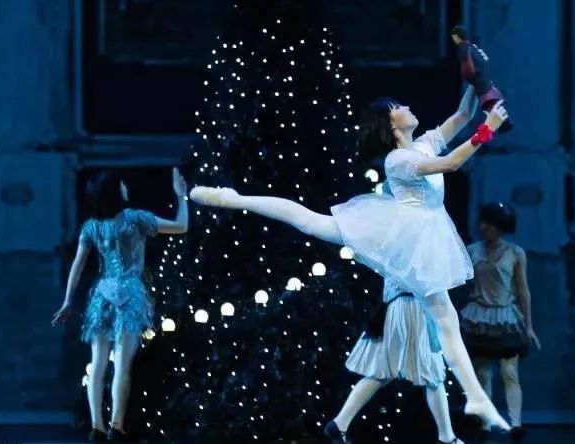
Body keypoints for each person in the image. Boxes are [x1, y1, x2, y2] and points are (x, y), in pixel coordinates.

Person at [189, 85, 512, 432]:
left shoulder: (424, 144)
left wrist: (474, 81)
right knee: (310, 222)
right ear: (390, 124)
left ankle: (475, 398)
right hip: (400, 234)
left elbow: (461, 115)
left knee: (446, 319)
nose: (407, 105)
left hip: (423, 234)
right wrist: (488, 129)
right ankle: (233, 199)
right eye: (398, 105)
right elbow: (451, 163)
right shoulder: (397, 160)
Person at [52, 168, 189, 442]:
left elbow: (78, 265)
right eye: (121, 184)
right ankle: (117, 425)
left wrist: (68, 300)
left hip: (102, 296)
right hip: (130, 295)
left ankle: (97, 426)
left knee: (98, 363)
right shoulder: (136, 219)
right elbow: (181, 226)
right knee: (122, 365)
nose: (126, 186)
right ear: (114, 191)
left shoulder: (92, 227)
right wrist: (181, 197)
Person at [324, 277, 463, 444]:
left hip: (398, 307)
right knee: (432, 375)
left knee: (384, 371)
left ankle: (339, 423)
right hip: (412, 308)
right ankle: (447, 437)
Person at [459, 203, 541, 441]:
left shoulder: (515, 253)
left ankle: (515, 424)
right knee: (483, 373)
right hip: (479, 317)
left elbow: (523, 290)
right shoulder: (472, 251)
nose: (484, 227)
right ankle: (485, 424)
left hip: (505, 317)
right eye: (483, 222)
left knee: (510, 373)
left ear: (500, 227)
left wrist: (529, 326)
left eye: (490, 224)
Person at [450, 25, 514, 133]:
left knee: (490, 104)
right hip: (483, 81)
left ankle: (503, 123)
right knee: (491, 103)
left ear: (457, 36)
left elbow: (469, 70)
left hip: (481, 83)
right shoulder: (471, 47)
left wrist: (469, 76)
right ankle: (503, 123)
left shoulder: (465, 48)